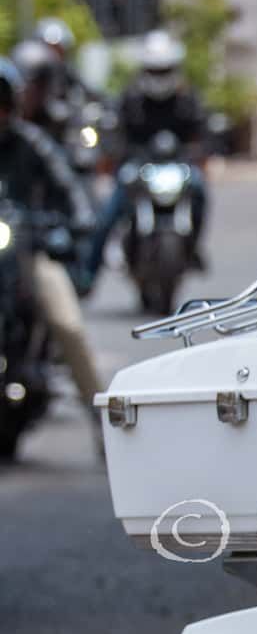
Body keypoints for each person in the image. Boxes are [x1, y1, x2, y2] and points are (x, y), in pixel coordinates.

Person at [0, 56, 102, 444]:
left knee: (68, 326)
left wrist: (72, 223)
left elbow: (71, 190)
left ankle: (104, 425)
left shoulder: (33, 143)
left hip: (27, 253)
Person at [81, 30, 208, 292]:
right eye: (155, 70)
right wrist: (112, 154)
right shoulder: (131, 98)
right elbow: (114, 132)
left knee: (201, 192)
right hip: (138, 166)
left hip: (177, 167)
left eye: (164, 70)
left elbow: (202, 132)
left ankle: (194, 246)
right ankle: (88, 275)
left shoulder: (186, 99)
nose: (159, 76)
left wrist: (204, 151)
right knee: (106, 215)